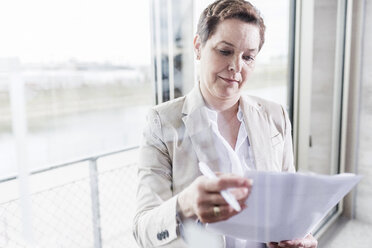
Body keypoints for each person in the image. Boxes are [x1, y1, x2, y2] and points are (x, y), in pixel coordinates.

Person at [133, 0, 318, 247]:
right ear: (198, 47)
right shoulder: (162, 122)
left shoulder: (276, 116)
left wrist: (298, 236)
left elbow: (289, 203)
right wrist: (185, 204)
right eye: (225, 51)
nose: (236, 67)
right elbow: (142, 230)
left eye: (248, 57)